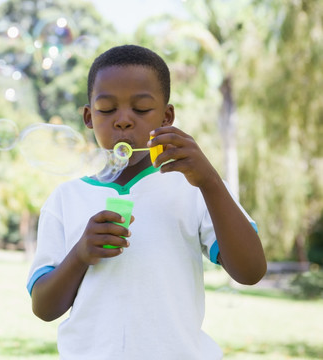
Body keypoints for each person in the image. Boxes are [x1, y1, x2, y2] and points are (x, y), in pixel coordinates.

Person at [26, 44, 267, 359]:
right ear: (88, 117)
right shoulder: (65, 199)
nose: (123, 121)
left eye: (141, 109)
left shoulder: (194, 187)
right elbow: (44, 308)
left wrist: (209, 180)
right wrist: (80, 256)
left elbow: (250, 271)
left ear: (167, 117)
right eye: (107, 109)